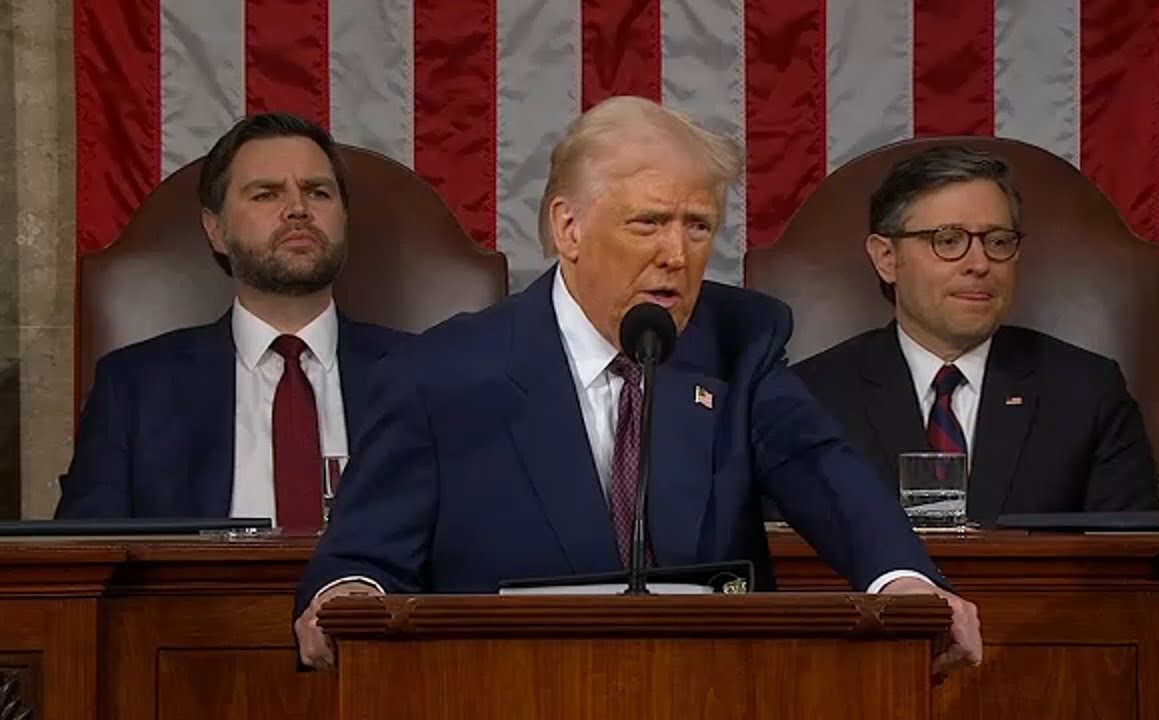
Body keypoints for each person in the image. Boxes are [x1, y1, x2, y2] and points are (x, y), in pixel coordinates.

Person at [292, 96, 981, 676]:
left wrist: (907, 584)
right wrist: (345, 598)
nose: (676, 256)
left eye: (698, 226)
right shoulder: (440, 374)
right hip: (503, 693)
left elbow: (825, 472)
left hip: (710, 694)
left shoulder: (738, 341)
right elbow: (358, 562)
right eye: (648, 222)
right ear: (569, 227)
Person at [55, 112, 410, 532]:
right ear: (215, 230)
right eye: (266, 194)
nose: (298, 209)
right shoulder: (133, 389)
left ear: (344, 219)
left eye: (317, 192)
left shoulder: (421, 374)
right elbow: (83, 563)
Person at [794, 145, 1159, 527]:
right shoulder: (811, 398)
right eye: (948, 240)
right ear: (887, 258)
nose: (980, 264)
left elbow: (1129, 563)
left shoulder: (1087, 391)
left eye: (998, 241)